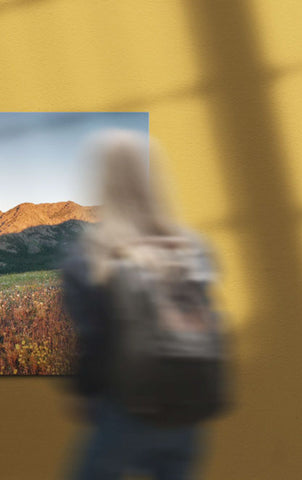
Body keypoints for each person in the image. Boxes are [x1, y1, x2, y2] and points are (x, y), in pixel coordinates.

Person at [62, 130, 215, 480]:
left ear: (103, 182)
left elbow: (93, 341)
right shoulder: (191, 247)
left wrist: (83, 393)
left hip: (125, 409)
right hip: (188, 410)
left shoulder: (94, 253)